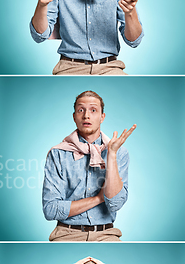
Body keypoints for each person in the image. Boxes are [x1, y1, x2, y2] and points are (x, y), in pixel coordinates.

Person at [43, 90, 135, 241]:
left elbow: (115, 203)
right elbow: (51, 210)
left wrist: (111, 154)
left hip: (106, 234)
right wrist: (99, 198)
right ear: (74, 117)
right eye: (81, 110)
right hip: (67, 234)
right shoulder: (58, 154)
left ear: (102, 117)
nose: (86, 115)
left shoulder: (119, 153)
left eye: (93, 110)